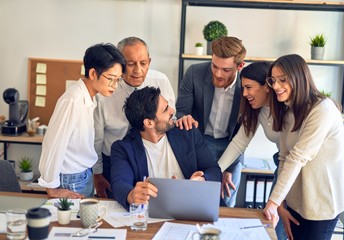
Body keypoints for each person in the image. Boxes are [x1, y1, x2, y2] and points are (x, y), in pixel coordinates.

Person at [263, 54, 344, 240]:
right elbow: (284, 158)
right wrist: (281, 203)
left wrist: (273, 202)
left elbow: (298, 157)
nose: (276, 86)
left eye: (283, 80)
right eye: (273, 81)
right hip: (297, 203)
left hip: (322, 204)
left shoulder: (323, 110)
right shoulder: (289, 111)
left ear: (299, 78)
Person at [38, 43, 126, 198]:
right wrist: (51, 186)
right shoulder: (73, 100)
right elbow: (53, 143)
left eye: (118, 80)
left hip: (83, 174)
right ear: (93, 73)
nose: (115, 85)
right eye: (111, 79)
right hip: (72, 179)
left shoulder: (90, 97)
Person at [111, 86, 222, 209]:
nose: (172, 111)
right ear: (149, 123)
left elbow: (214, 170)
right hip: (152, 216)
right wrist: (131, 195)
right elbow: (120, 183)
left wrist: (201, 181)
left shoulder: (187, 133)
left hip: (194, 208)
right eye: (165, 109)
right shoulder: (123, 149)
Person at [93, 37, 175, 198]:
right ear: (120, 64)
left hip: (151, 160)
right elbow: (96, 138)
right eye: (130, 64)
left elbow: (170, 117)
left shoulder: (161, 81)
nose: (138, 70)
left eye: (143, 63)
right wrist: (97, 175)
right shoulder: (103, 93)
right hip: (112, 163)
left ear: (149, 62)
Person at [217, 61, 287, 240]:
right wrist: (215, 173)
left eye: (249, 87)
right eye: (243, 88)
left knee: (283, 226)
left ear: (267, 86)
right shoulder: (257, 109)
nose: (245, 93)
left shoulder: (288, 107)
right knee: (274, 229)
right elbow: (238, 143)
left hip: (298, 169)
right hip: (282, 166)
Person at [176, 36, 246, 207]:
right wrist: (184, 118)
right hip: (200, 142)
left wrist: (228, 169)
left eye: (226, 69)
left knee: (226, 201)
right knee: (195, 198)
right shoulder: (194, 73)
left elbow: (244, 133)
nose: (218, 73)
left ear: (240, 66)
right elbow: (181, 111)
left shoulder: (247, 84)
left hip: (232, 144)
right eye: (214, 66)